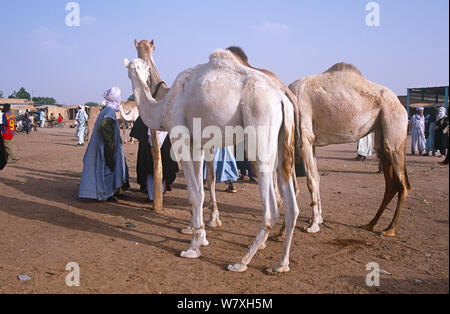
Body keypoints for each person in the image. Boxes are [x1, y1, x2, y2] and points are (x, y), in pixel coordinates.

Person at [79, 87, 129, 201]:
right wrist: (110, 145)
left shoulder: (106, 110)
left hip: (106, 144)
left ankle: (113, 191)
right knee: (107, 168)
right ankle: (107, 194)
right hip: (106, 145)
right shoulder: (109, 111)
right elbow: (105, 127)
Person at [129, 116, 179, 199]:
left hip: (154, 147)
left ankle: (155, 193)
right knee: (150, 169)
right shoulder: (145, 115)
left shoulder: (147, 115)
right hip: (148, 147)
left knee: (159, 168)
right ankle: (153, 194)